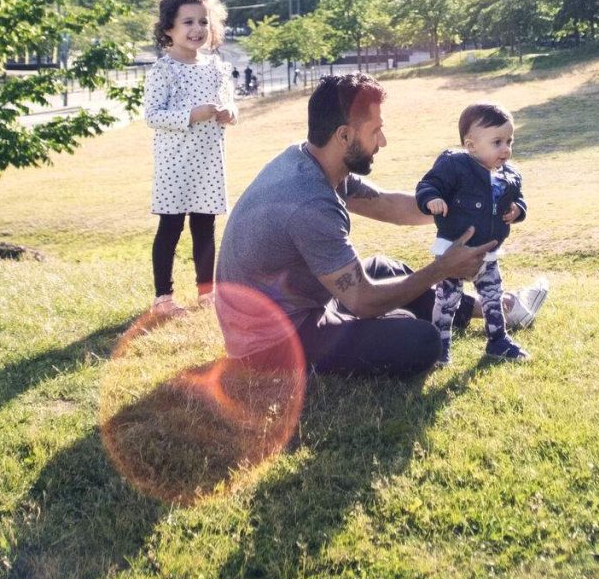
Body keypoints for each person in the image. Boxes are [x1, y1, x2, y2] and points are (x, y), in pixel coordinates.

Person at [213, 75, 498, 376]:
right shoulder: (309, 202)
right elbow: (363, 300)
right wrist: (441, 269)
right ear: (344, 136)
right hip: (271, 342)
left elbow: (387, 203)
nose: (383, 142)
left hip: (297, 305)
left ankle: (492, 308)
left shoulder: (313, 160)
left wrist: (468, 209)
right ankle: (448, 314)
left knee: (386, 269)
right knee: (422, 341)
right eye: (376, 131)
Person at [416, 102, 537, 365]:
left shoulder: (509, 175)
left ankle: (498, 341)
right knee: (447, 301)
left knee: (493, 298)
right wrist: (432, 199)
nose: (505, 149)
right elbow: (429, 184)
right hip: (453, 252)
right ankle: (440, 346)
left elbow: (519, 199)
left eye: (509, 141)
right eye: (497, 142)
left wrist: (518, 209)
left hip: (488, 253)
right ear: (471, 146)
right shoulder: (455, 165)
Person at [143, 0, 238, 315]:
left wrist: (229, 113)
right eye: (188, 22)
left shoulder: (215, 68)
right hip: (175, 165)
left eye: (203, 21)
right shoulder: (163, 71)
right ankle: (163, 299)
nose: (197, 29)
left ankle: (206, 293)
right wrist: (189, 115)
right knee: (170, 227)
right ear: (169, 28)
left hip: (209, 163)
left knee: (205, 227)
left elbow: (230, 106)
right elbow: (152, 116)